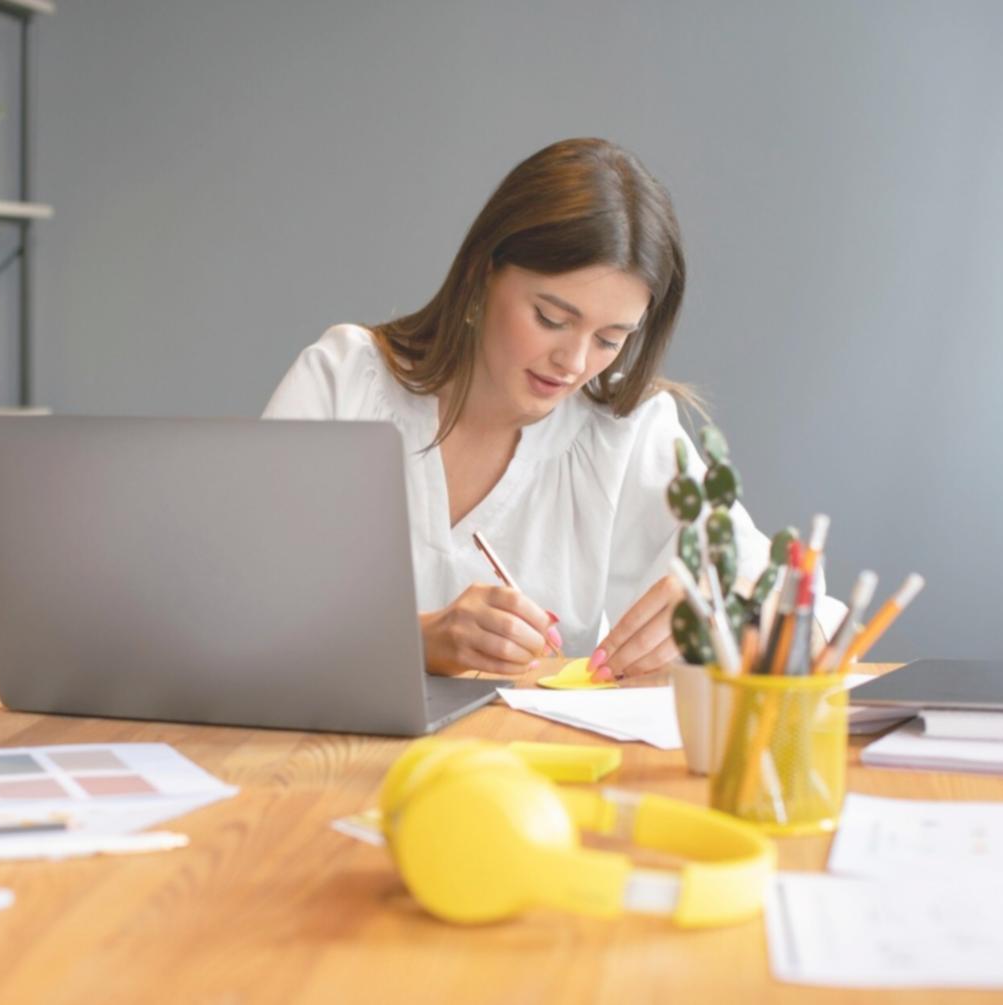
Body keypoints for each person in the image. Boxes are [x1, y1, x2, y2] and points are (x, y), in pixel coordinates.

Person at [263, 137, 842, 683]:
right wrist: (419, 641)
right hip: (319, 774)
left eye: (611, 338)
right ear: (482, 272)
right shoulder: (346, 380)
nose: (573, 360)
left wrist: (729, 617)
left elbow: (815, 622)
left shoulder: (627, 433)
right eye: (551, 319)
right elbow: (234, 611)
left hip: (543, 777)